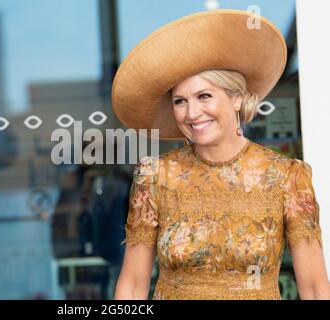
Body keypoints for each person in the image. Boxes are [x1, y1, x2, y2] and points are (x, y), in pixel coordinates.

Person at [111, 9, 330, 300]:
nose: (192, 113)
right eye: (180, 101)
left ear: (236, 98)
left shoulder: (288, 176)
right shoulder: (155, 177)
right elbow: (133, 286)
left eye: (204, 96)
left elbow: (315, 290)